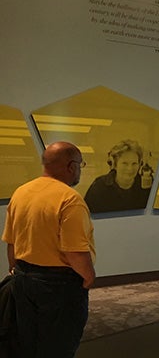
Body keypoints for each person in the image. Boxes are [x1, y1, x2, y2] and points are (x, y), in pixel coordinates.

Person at [2, 141, 96, 358]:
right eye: (81, 164)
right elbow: (75, 251)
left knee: (27, 344)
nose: (80, 169)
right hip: (59, 287)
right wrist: (88, 278)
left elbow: (12, 242)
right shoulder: (70, 200)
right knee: (59, 347)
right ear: (71, 166)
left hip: (23, 280)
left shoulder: (21, 193)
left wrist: (15, 270)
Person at [84, 139, 152, 213]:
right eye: (125, 163)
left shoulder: (147, 186)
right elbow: (85, 216)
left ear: (140, 165)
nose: (130, 168)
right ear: (115, 165)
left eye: (134, 163)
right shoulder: (99, 187)